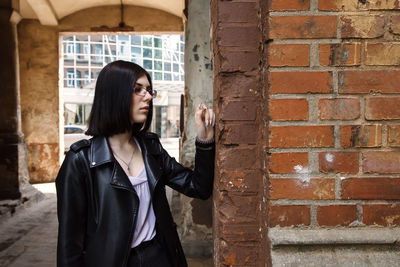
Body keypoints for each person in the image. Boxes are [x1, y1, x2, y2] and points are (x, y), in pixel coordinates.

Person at [56, 60, 215, 267]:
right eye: (137, 90)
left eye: (149, 90)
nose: (148, 96)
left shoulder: (151, 148)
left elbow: (198, 187)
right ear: (114, 95)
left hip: (159, 258)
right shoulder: (80, 161)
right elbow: (69, 248)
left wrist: (204, 140)